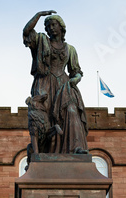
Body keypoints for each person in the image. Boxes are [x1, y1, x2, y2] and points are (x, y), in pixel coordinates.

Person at [23, 10, 88, 154]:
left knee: (71, 111)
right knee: (42, 117)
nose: (51, 28)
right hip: (44, 84)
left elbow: (76, 71)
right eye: (48, 26)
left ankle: (75, 148)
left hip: (64, 85)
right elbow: (27, 32)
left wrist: (76, 79)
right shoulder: (41, 41)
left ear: (61, 28)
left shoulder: (70, 49)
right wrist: (39, 15)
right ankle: (42, 151)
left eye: (53, 25)